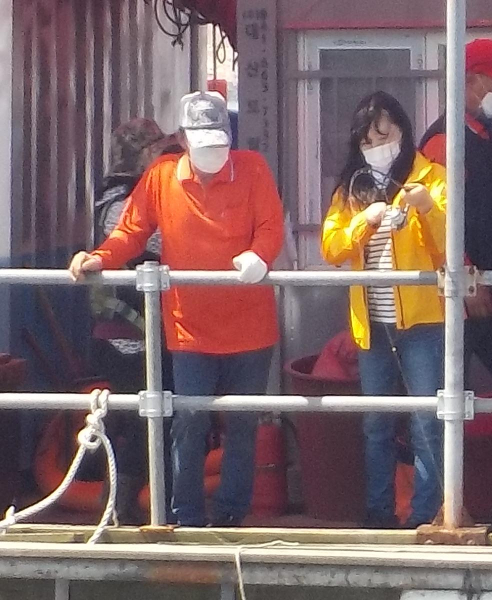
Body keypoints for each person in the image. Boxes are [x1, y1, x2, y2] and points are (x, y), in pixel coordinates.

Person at [69, 91, 285, 527]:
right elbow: (130, 231)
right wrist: (100, 258)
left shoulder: (253, 169)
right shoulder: (161, 176)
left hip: (251, 327)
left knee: (242, 424)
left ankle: (231, 516)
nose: (213, 154)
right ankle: (184, 516)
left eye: (219, 143)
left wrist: (259, 256)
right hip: (188, 328)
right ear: (183, 140)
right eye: (203, 143)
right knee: (187, 420)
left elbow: (271, 226)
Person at [321, 91, 447, 529]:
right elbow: (332, 248)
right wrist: (366, 220)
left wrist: (426, 208)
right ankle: (379, 513)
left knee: (427, 422)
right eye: (367, 141)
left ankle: (426, 514)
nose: (376, 146)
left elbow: (448, 246)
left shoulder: (432, 177)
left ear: (403, 132)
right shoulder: (350, 187)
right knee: (376, 423)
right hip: (372, 325)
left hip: (424, 322)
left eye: (384, 136)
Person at [420, 39, 492, 400]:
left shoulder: (485, 131)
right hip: (459, 296)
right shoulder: (443, 140)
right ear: (470, 80)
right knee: (447, 402)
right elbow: (433, 220)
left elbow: (491, 206)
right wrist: (465, 278)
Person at [89, 118, 180, 524]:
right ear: (143, 154)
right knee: (143, 425)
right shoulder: (120, 203)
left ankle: (132, 508)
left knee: (152, 421)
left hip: (144, 333)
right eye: (157, 148)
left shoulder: (124, 194)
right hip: (127, 338)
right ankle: (118, 510)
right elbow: (156, 245)